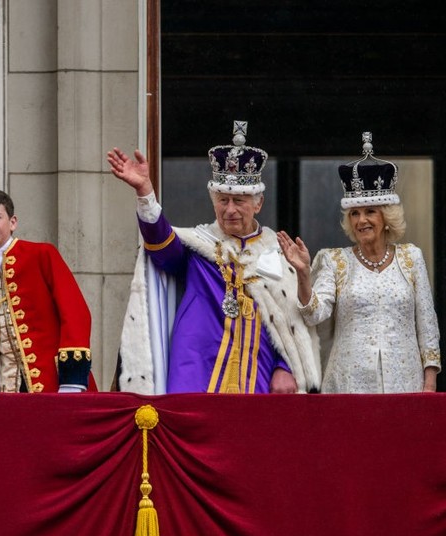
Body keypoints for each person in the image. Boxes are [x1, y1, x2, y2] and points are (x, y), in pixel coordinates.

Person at [107, 120, 320, 394]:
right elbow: (162, 249)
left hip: (260, 371)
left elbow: (290, 321)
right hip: (196, 365)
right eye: (222, 200)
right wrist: (145, 193)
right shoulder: (198, 245)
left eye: (239, 201)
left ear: (258, 204)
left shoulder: (278, 253)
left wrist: (286, 367)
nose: (230, 209)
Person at [277, 132, 440, 393]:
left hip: (405, 384)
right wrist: (303, 274)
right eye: (354, 213)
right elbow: (314, 314)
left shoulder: (411, 257)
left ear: (386, 216)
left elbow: (427, 325)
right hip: (348, 385)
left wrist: (429, 383)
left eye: (369, 212)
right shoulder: (334, 260)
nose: (361, 220)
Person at [0, 188, 96, 393]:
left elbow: (76, 313)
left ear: (12, 222)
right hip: (6, 389)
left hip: (55, 382)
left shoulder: (42, 254)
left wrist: (72, 379)